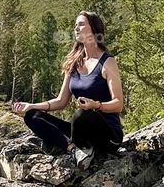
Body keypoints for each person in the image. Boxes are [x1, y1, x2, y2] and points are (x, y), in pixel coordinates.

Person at [11, 10, 124, 170]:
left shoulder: (107, 62)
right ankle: (73, 149)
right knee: (32, 116)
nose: (76, 28)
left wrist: (96, 106)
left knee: (82, 116)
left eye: (81, 24)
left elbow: (118, 104)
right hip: (81, 132)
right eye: (75, 25)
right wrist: (31, 105)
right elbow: (60, 101)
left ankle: (76, 146)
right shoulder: (74, 63)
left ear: (94, 29)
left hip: (108, 135)